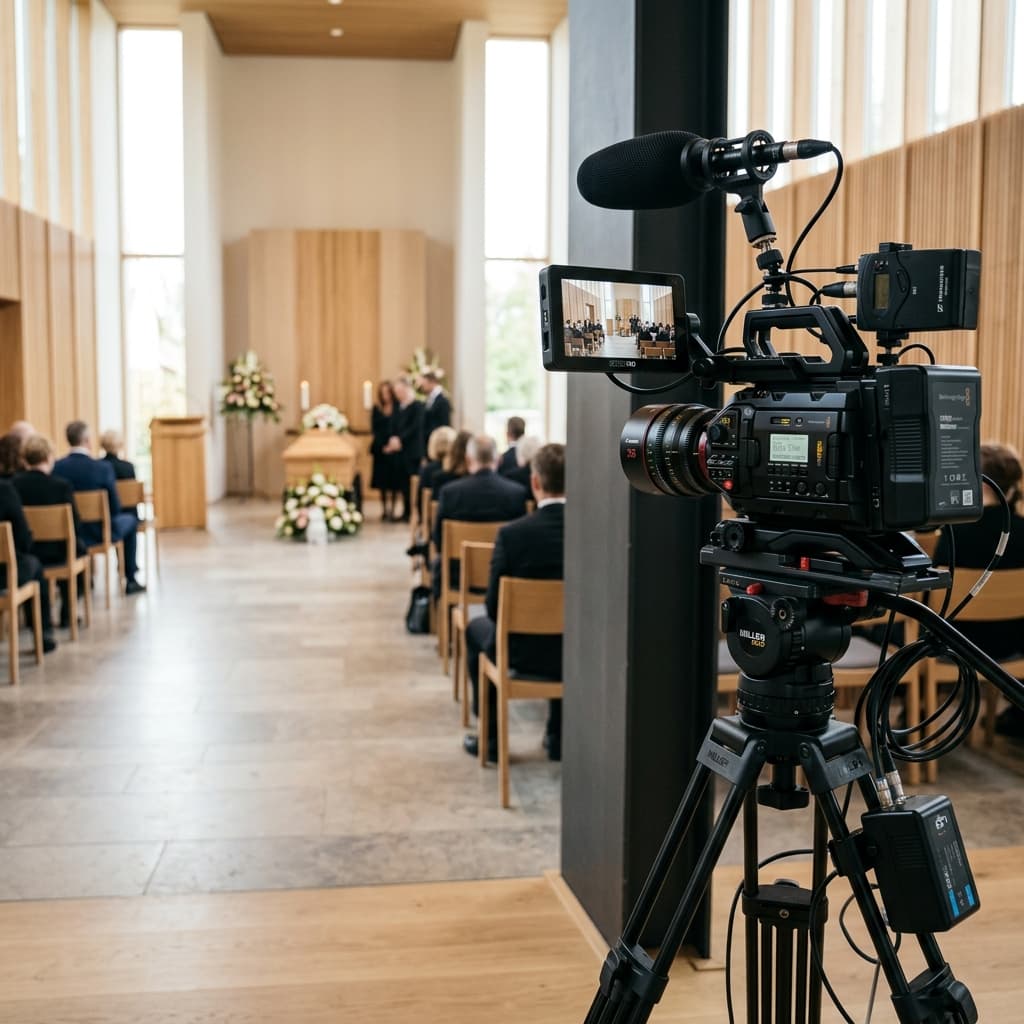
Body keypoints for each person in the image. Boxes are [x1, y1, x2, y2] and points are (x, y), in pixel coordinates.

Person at [463, 443, 566, 763]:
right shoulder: (592, 533)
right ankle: (558, 736)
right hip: (577, 650)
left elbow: (494, 608)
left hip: (520, 652)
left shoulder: (512, 535)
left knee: (476, 628)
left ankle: (490, 739)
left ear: (535, 483)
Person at [934, 442, 1024, 737]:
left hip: (957, 644)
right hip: (1012, 643)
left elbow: (936, 591)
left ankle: (916, 710)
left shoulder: (955, 530)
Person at [54, 421, 146, 595]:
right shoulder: (102, 469)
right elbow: (114, 506)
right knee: (130, 521)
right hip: (99, 531)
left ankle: (81, 583)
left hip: (71, 532)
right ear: (87, 440)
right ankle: (130, 578)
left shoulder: (57, 468)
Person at [431, 435, 528, 599]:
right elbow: (520, 543)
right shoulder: (517, 493)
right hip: (501, 577)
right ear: (498, 460)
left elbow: (439, 540)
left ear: (468, 460)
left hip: (458, 574)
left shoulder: (450, 493)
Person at [13, 434, 87, 628]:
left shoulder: (13, 486)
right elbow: (75, 524)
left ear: (25, 459)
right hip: (58, 552)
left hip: (29, 552)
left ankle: (33, 619)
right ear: (49, 457)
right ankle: (67, 614)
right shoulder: (61, 486)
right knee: (77, 548)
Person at [0, 479, 57, 653]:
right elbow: (23, 537)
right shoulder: (4, 489)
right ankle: (43, 634)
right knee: (34, 565)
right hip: (3, 575)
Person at [384, 376, 425, 522]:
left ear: (407, 389)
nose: (397, 394)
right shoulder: (398, 406)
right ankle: (406, 511)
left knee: (412, 483)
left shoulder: (418, 406)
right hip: (399, 451)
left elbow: (415, 428)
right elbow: (393, 424)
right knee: (402, 483)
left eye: (400, 391)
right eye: (396, 392)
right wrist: (393, 438)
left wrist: (400, 440)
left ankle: (414, 512)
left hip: (412, 450)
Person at [370, 381, 402, 521]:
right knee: (382, 481)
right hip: (380, 449)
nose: (385, 395)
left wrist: (392, 444)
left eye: (387, 392)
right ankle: (384, 509)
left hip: (394, 449)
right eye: (383, 393)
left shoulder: (397, 408)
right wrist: (383, 445)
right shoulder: (377, 409)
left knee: (394, 481)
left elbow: (399, 427)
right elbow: (375, 429)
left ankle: (394, 509)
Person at [418, 370, 451, 440]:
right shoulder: (429, 399)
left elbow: (444, 424)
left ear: (432, 382)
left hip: (438, 439)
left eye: (424, 384)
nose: (422, 387)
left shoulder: (442, 400)